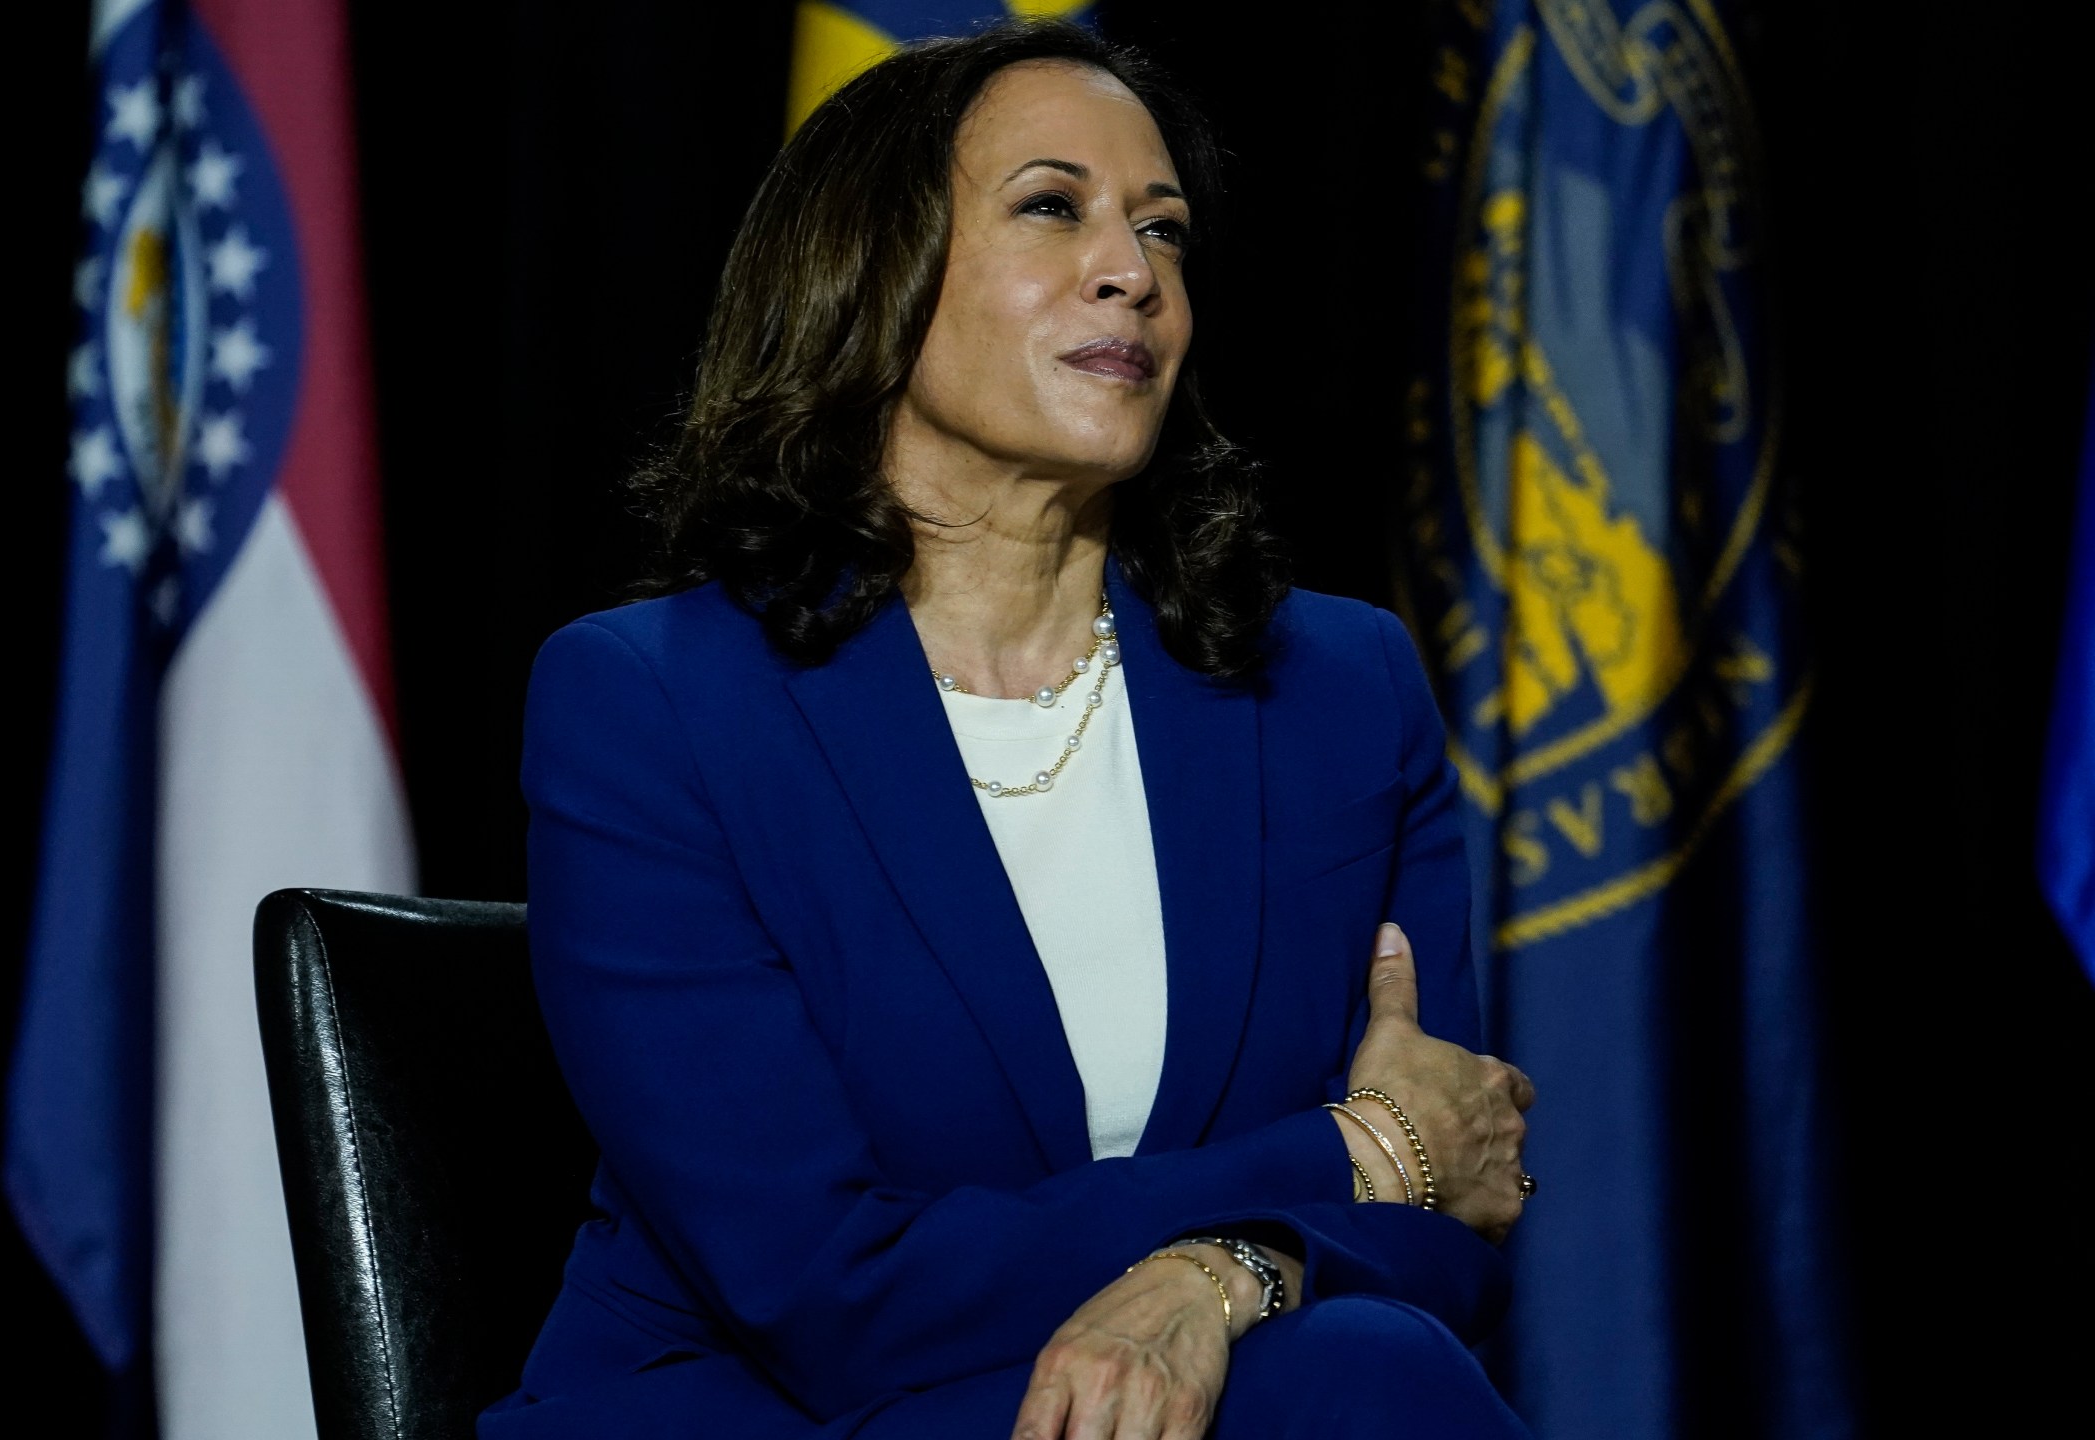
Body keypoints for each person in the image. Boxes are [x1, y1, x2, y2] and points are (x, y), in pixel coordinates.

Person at [482, 21, 1536, 1440]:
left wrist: (1224, 1273)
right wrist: (1347, 1154)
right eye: (1054, 208)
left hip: (1236, 1390)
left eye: (1163, 232)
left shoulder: (1342, 688)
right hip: (771, 1412)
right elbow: (824, 1291)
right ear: (873, 270)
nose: (1135, 272)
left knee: (1372, 1370)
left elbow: (1457, 1203)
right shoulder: (652, 703)